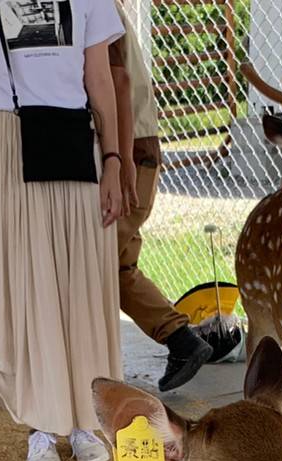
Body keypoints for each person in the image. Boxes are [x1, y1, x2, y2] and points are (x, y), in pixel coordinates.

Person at [0, 0, 125, 461]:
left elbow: (101, 79)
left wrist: (113, 160)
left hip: (74, 136)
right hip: (8, 138)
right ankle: (41, 426)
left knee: (80, 282)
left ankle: (85, 419)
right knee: (27, 282)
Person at [107, 1, 238, 391]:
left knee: (91, 265)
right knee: (116, 266)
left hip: (125, 151)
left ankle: (96, 370)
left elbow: (116, 82)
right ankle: (182, 340)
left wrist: (117, 157)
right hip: (135, 147)